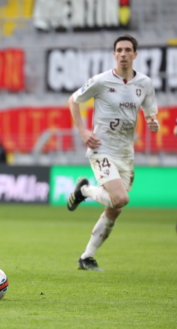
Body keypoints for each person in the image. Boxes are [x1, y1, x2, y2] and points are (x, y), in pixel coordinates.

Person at [67, 34, 159, 271]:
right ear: (114, 54)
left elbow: (151, 111)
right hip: (101, 149)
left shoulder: (145, 84)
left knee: (115, 209)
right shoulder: (101, 81)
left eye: (128, 50)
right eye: (119, 50)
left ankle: (87, 257)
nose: (123, 54)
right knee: (121, 199)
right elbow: (73, 100)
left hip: (126, 154)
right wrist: (83, 131)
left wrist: (152, 121)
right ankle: (85, 190)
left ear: (135, 55)